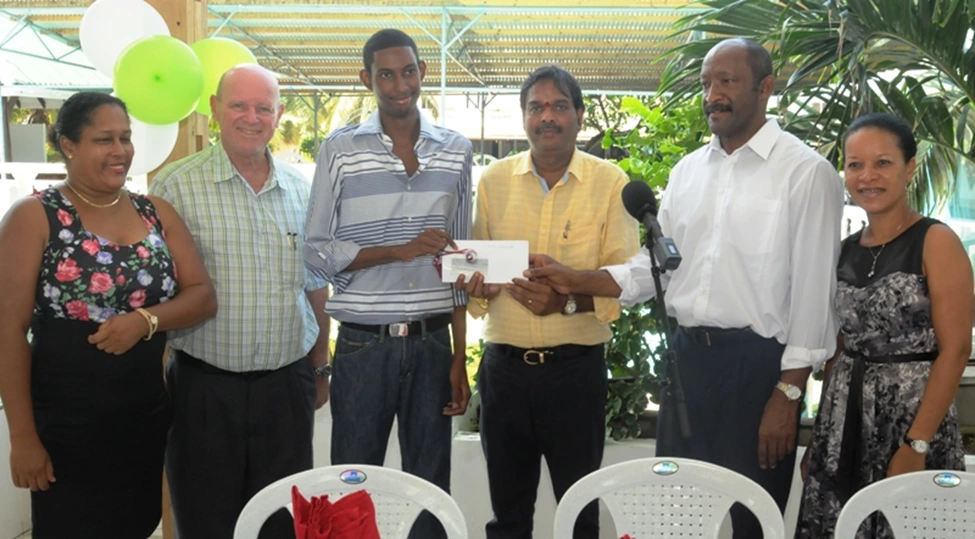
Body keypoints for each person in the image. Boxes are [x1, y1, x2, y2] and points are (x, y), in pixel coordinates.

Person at [528, 38, 845, 538]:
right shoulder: (688, 171)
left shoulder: (806, 173)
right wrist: (575, 279)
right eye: (705, 83)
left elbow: (812, 294)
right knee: (672, 518)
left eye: (726, 82)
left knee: (751, 522)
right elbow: (653, 268)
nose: (712, 95)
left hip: (757, 372)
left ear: (766, 87)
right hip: (685, 364)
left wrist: (788, 394)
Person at [0, 92, 216, 539]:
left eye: (125, 138)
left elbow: (202, 296)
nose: (120, 150)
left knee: (136, 524)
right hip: (65, 427)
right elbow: (7, 329)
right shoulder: (35, 216)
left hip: (142, 418)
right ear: (68, 145)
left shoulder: (154, 212)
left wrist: (146, 321)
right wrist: (22, 437)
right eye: (104, 139)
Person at [150, 64, 331, 539]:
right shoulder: (174, 186)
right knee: (206, 522)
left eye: (263, 108)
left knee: (282, 523)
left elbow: (315, 285)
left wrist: (321, 364)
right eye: (239, 105)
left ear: (279, 114)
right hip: (204, 391)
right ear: (214, 108)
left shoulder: (301, 190)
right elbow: (156, 290)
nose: (252, 118)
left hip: (286, 388)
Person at [303, 29, 472, 539]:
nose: (400, 85)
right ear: (367, 79)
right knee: (354, 485)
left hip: (431, 344)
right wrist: (397, 250)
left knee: (431, 489)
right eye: (386, 75)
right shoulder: (340, 150)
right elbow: (315, 250)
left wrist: (459, 357)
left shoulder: (457, 150)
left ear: (423, 72)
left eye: (409, 72)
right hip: (362, 346)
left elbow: (460, 263)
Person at [459, 65, 639, 539]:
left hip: (574, 375)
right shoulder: (494, 180)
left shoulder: (610, 182)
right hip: (504, 375)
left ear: (579, 115)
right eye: (536, 107)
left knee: (579, 514)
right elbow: (479, 268)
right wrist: (477, 286)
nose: (547, 117)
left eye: (559, 106)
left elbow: (623, 282)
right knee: (508, 516)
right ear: (523, 117)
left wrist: (566, 303)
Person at [795, 113, 972, 538]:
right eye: (855, 164)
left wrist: (917, 443)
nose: (867, 176)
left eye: (883, 163)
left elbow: (955, 351)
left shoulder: (936, 241)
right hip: (844, 418)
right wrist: (821, 437)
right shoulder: (843, 250)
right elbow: (841, 346)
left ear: (909, 168)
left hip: (912, 419)